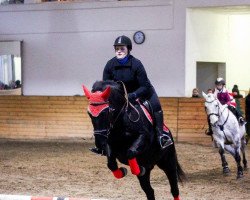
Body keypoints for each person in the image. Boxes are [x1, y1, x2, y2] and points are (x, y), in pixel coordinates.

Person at [102, 35, 173, 150]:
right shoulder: (109, 65)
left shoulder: (136, 64)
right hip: (121, 96)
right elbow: (106, 85)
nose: (119, 51)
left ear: (128, 49)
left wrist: (133, 95)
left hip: (142, 91)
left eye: (122, 48)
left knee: (156, 106)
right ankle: (103, 139)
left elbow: (144, 86)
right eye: (117, 49)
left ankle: (161, 136)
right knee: (105, 110)